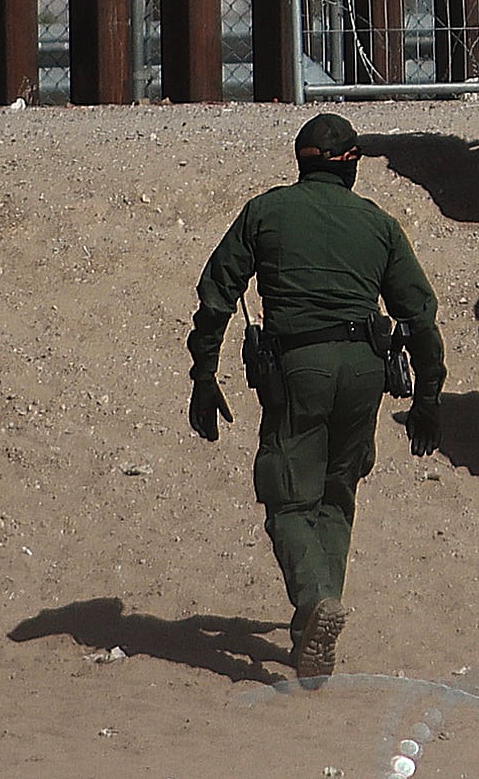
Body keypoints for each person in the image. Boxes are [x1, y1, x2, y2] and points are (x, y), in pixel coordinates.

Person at [186, 113, 446, 680]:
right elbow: (420, 318)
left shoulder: (266, 210)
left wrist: (204, 375)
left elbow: (215, 298)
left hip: (298, 368)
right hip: (365, 371)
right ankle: (313, 625)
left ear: (300, 160)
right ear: (352, 165)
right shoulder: (378, 224)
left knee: (286, 496)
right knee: (337, 491)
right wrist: (428, 397)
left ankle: (313, 604)